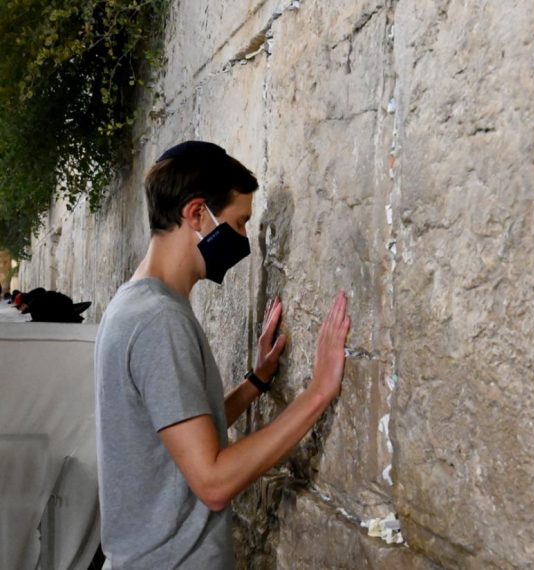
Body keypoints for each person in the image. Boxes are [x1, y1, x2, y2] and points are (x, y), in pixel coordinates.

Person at [94, 141, 351, 569]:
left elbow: (180, 430)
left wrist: (256, 381)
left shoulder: (132, 305)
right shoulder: (159, 321)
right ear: (196, 214)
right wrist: (319, 392)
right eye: (239, 222)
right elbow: (212, 481)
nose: (244, 239)